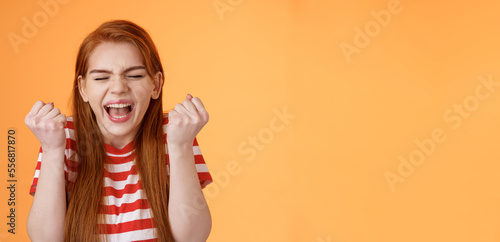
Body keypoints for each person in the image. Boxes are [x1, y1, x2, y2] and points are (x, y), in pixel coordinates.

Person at [25, 20, 213, 242]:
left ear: (156, 85)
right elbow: (46, 239)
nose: (118, 87)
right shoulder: (61, 138)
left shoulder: (175, 135)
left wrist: (181, 146)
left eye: (134, 75)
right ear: (83, 88)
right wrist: (51, 149)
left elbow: (192, 238)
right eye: (101, 77)